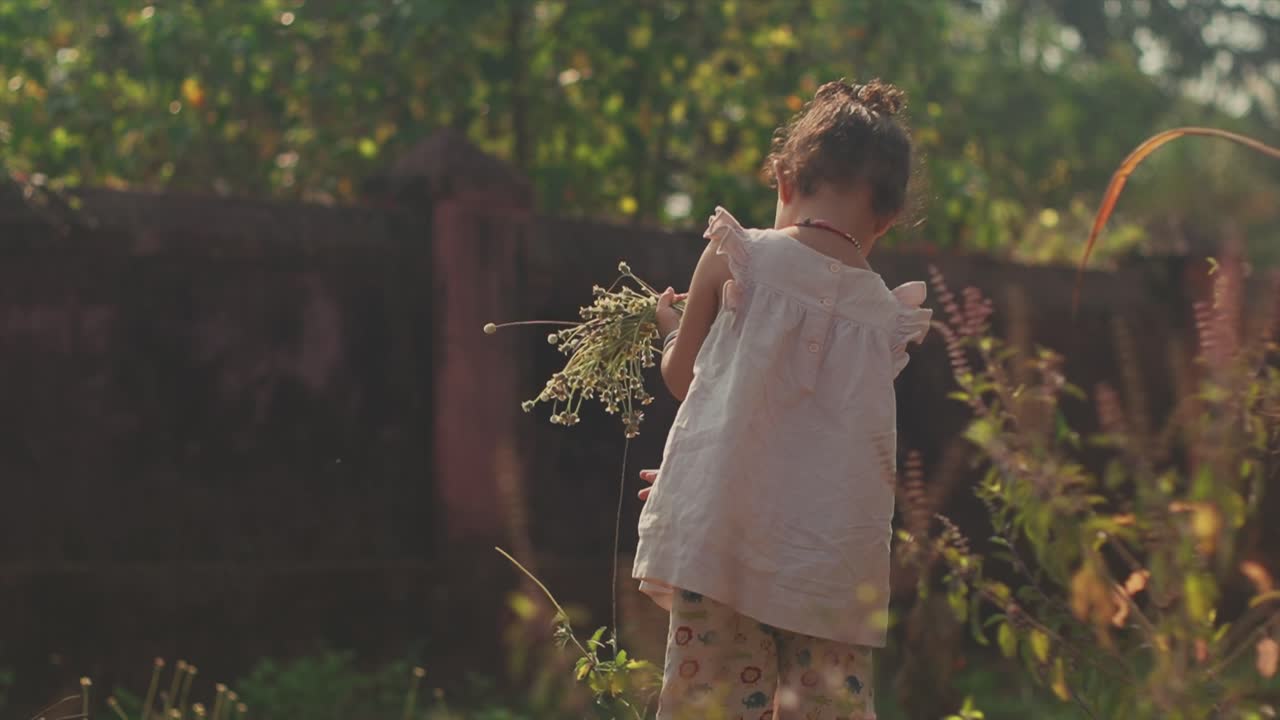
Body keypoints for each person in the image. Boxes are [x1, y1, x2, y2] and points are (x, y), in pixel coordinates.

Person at [632, 78, 931, 720]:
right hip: (833, 572)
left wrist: (669, 329)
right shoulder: (887, 319)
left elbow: (687, 381)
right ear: (885, 219)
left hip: (723, 547)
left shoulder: (738, 255)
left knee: (707, 707)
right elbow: (820, 432)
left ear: (784, 182)